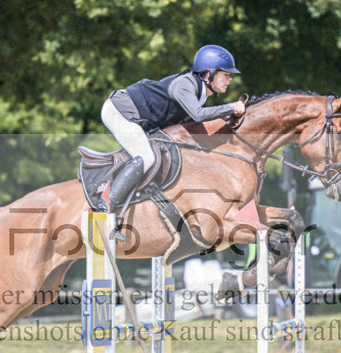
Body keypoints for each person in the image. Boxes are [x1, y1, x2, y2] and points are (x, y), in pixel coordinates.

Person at [100, 45, 246, 240]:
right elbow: (198, 115)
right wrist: (231, 108)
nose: (230, 79)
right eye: (226, 74)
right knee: (146, 157)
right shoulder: (185, 85)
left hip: (139, 119)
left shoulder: (198, 92)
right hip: (120, 111)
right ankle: (105, 211)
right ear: (208, 74)